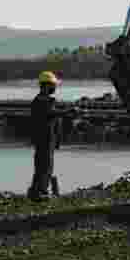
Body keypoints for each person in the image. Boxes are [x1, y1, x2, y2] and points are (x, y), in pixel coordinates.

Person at [27, 71, 77, 201]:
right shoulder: (41, 101)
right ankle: (40, 192)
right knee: (44, 166)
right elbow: (50, 113)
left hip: (46, 138)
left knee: (44, 166)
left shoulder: (44, 100)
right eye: (53, 85)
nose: (55, 87)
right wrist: (67, 111)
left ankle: (38, 191)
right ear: (46, 85)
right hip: (44, 138)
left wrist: (66, 113)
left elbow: (53, 115)